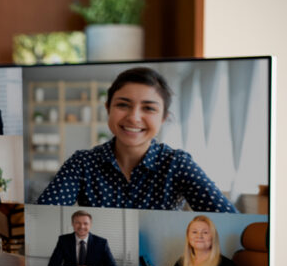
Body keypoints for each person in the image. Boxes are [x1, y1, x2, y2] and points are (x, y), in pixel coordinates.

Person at [36, 67, 237, 212]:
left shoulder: (177, 164)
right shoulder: (82, 163)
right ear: (108, 109)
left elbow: (229, 221)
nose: (134, 117)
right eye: (123, 105)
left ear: (163, 118)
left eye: (149, 108)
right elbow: (41, 220)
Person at [160, 215, 241, 266]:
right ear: (188, 237)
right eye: (194, 232)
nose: (199, 236)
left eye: (205, 232)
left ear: (213, 237)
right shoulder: (182, 262)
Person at [47, 210, 119, 266]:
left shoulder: (101, 243)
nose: (82, 226)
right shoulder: (63, 240)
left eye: (85, 223)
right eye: (78, 223)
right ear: (73, 224)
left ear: (90, 225)